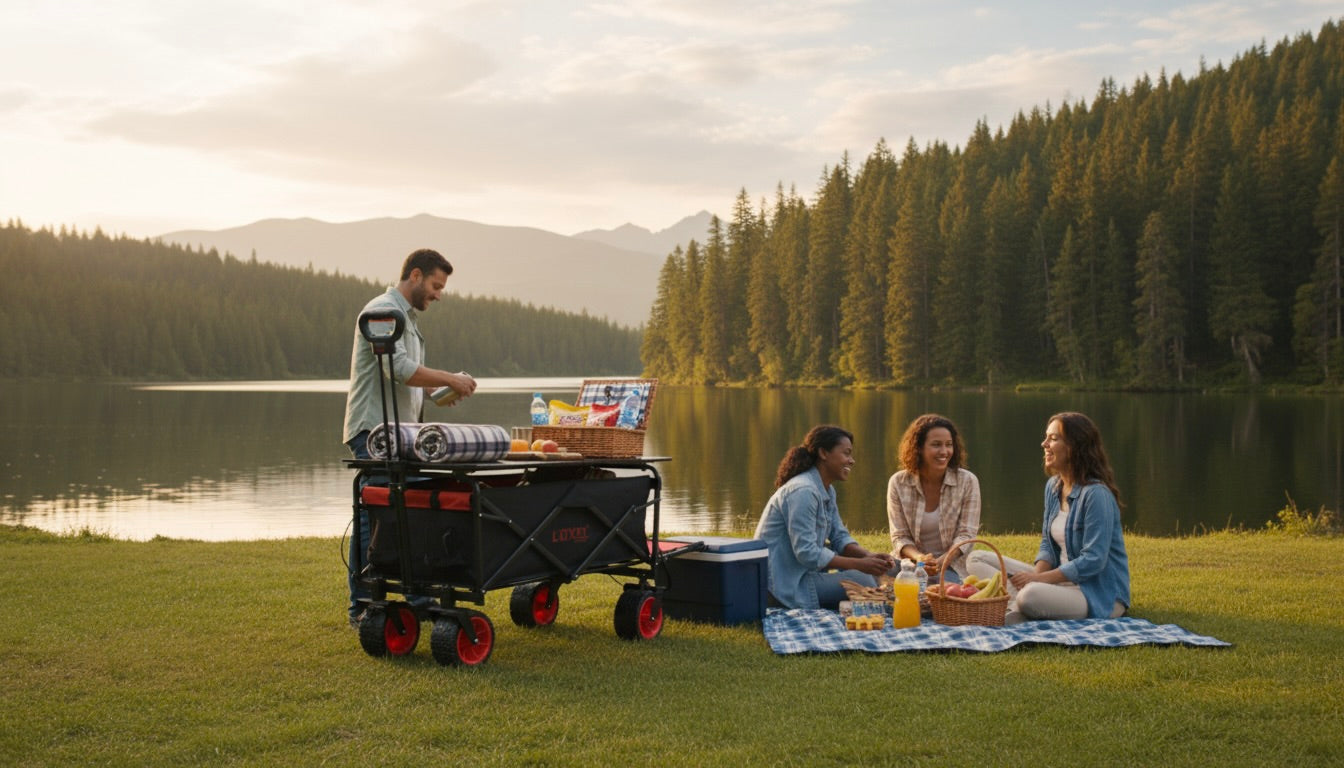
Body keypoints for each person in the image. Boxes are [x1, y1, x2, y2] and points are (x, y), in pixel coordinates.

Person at [341, 248, 478, 628]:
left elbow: (406, 380)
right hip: (373, 431)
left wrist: (437, 395)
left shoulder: (407, 318)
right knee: (376, 517)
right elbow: (397, 369)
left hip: (398, 434)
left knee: (405, 512)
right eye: (436, 285)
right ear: (415, 276)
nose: (439, 294)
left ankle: (413, 598)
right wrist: (449, 377)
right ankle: (365, 607)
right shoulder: (383, 311)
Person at [967, 411, 1130, 624]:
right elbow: (1048, 545)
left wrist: (1037, 581)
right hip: (1055, 583)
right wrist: (1035, 577)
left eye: (1053, 438)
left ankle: (1016, 606)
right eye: (1046, 437)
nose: (1044, 444)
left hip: (1095, 593)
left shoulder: (1096, 494)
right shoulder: (1054, 487)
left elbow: (1094, 560)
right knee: (976, 559)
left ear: (1075, 446)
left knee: (1030, 596)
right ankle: (1018, 606)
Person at [754, 425, 894, 610]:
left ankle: (856, 603)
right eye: (846, 453)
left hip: (803, 573)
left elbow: (839, 536)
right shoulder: (803, 491)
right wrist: (860, 565)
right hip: (783, 584)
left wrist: (869, 556)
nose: (851, 461)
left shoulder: (826, 490)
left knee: (872, 576)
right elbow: (807, 552)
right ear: (823, 453)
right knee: (862, 579)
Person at [887, 413, 980, 585]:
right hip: (910, 563)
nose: (944, 452)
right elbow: (900, 537)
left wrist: (940, 562)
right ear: (919, 448)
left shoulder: (968, 481)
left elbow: (966, 535)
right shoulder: (898, 482)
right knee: (872, 573)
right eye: (936, 445)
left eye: (949, 445)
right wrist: (921, 559)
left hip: (950, 566)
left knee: (945, 592)